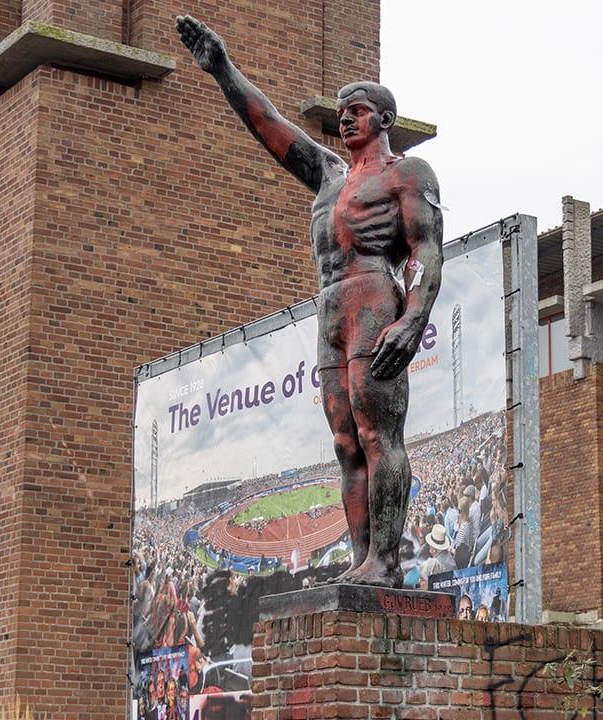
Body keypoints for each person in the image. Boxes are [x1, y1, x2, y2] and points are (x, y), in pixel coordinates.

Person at [176, 15, 444, 588]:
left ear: (385, 120)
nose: (345, 115)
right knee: (346, 443)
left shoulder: (407, 174)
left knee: (378, 437)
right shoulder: (328, 175)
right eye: (342, 109)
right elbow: (268, 123)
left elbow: (426, 249)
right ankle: (360, 559)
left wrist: (414, 317)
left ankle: (386, 562)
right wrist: (223, 67)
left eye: (359, 108)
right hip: (330, 312)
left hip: (375, 300)